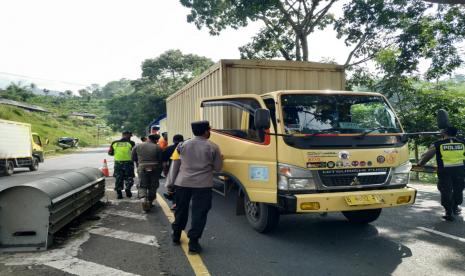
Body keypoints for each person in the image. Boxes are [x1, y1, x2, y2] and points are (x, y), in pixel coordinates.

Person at [168, 121, 222, 254]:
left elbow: (175, 166)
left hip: (182, 183)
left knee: (181, 210)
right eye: (209, 130)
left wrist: (170, 184)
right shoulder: (213, 147)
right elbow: (218, 168)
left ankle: (176, 235)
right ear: (206, 131)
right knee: (199, 213)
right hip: (203, 185)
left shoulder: (182, 145)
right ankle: (193, 243)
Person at [418, 126, 465, 221]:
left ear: (444, 133)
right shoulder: (462, 143)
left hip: (445, 172)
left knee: (445, 191)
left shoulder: (438, 144)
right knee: (458, 190)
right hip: (460, 171)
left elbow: (428, 155)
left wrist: (420, 163)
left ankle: (449, 212)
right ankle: (455, 207)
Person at [132, 134, 163, 212]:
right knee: (153, 185)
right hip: (155, 167)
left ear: (148, 138)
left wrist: (139, 162)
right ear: (156, 140)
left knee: (142, 185)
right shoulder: (158, 147)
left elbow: (133, 158)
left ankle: (143, 199)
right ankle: (150, 201)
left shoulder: (137, 146)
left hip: (142, 167)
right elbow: (160, 159)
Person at [108, 131, 136, 199]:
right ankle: (128, 189)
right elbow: (135, 153)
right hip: (128, 163)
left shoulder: (114, 143)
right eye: (130, 136)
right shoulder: (131, 143)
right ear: (127, 135)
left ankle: (119, 193)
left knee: (118, 178)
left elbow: (110, 153)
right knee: (129, 177)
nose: (130, 137)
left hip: (118, 163)